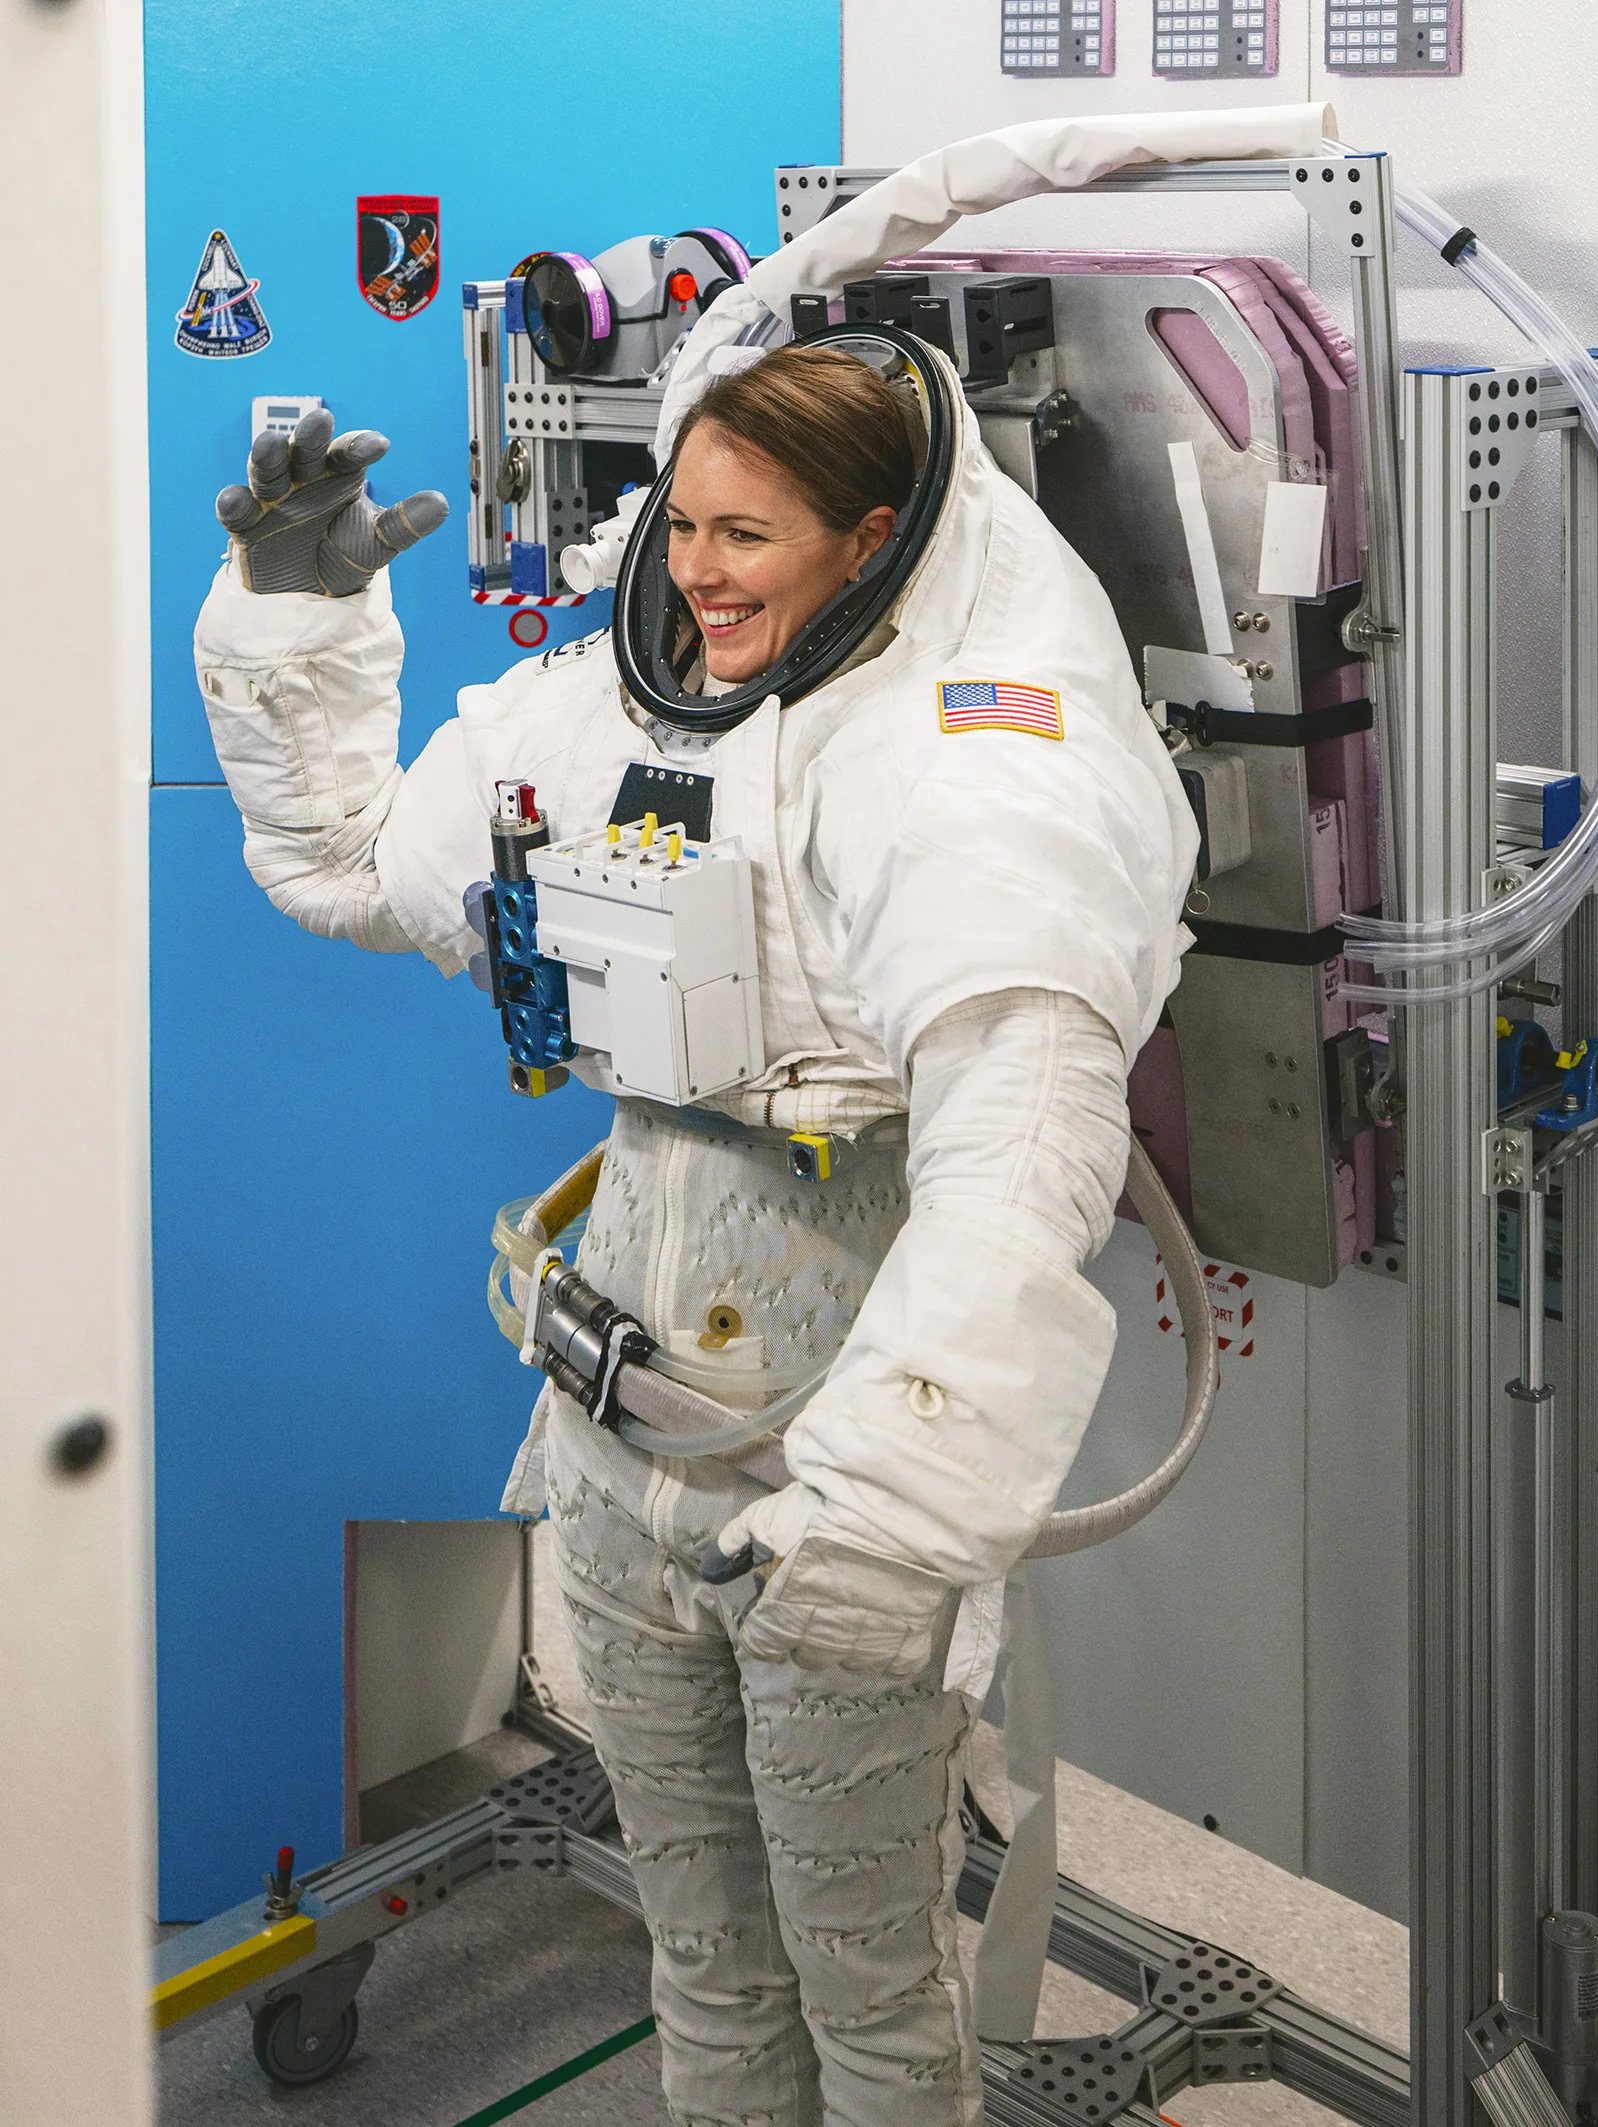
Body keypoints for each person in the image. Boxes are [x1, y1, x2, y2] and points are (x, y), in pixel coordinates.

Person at [195, 331, 1195, 2125]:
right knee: (704, 1967)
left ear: (875, 536)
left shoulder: (965, 764)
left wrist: (894, 1511)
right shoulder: (594, 707)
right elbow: (352, 865)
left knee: (871, 1993)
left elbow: (1025, 1128)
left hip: (820, 1496)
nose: (697, 573)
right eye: (681, 527)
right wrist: (288, 620)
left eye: (750, 536)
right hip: (611, 1460)